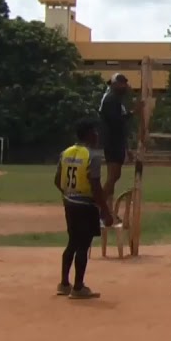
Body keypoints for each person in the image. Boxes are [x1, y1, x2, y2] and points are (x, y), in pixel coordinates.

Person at [53, 119, 113, 300]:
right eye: (94, 132)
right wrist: (105, 210)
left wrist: (69, 194)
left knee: (72, 242)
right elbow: (95, 185)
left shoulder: (66, 153)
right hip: (86, 204)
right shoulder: (92, 156)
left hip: (69, 202)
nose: (97, 135)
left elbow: (57, 180)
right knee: (83, 245)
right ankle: (78, 287)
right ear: (88, 134)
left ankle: (64, 284)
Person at [98, 72, 139, 219]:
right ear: (114, 84)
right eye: (121, 83)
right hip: (112, 142)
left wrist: (127, 148)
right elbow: (116, 122)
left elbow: (121, 126)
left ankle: (108, 212)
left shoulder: (116, 100)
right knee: (114, 176)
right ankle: (99, 207)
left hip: (116, 142)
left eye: (125, 83)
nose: (124, 86)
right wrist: (133, 112)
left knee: (113, 176)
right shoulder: (110, 99)